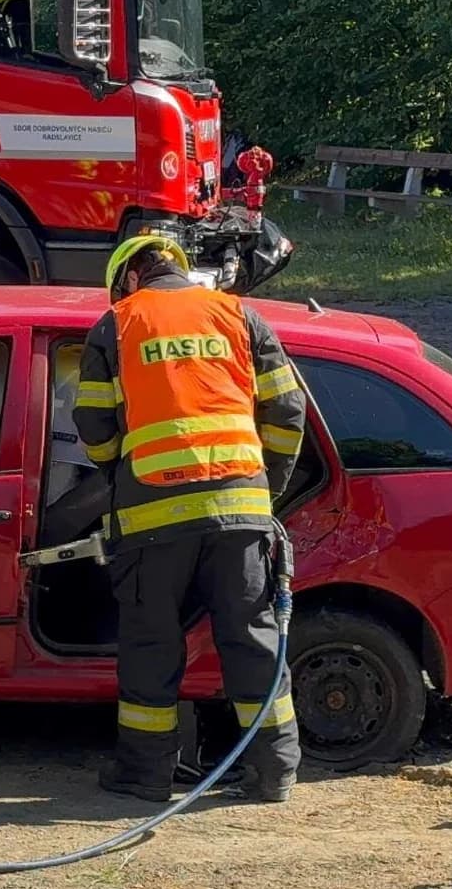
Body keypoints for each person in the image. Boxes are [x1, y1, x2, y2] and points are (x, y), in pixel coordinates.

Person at [72, 234, 309, 804]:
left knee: (152, 644)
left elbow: (95, 426)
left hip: (154, 514)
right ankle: (275, 772)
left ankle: (145, 774)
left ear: (129, 278)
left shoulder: (118, 324)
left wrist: (119, 473)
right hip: (239, 510)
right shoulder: (239, 316)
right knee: (251, 640)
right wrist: (264, 488)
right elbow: (287, 410)